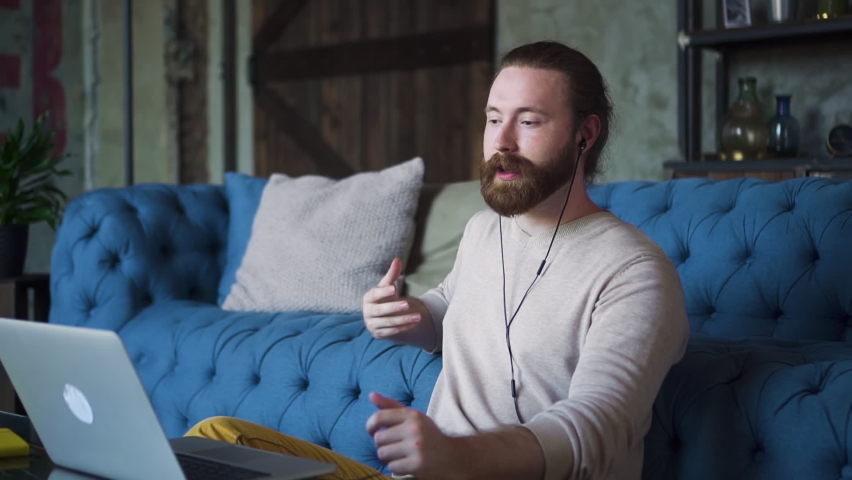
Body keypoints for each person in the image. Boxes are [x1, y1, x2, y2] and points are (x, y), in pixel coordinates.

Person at [186, 40, 689, 480]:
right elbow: (448, 310)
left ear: (585, 134)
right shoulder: (483, 230)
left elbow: (596, 424)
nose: (502, 142)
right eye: (494, 119)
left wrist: (460, 457)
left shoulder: (635, 272)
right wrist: (406, 316)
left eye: (528, 121)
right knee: (213, 439)